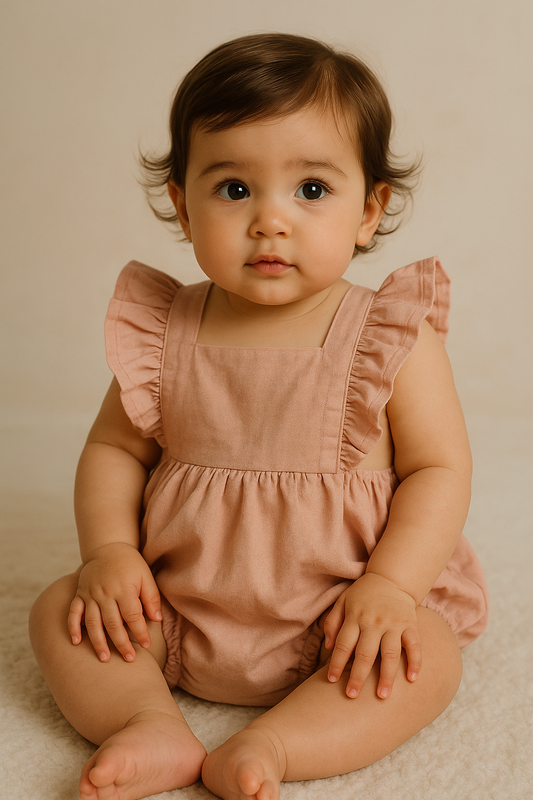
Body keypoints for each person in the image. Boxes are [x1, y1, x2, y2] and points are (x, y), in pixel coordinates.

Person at [29, 32, 488, 800]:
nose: (270, 220)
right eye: (234, 189)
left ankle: (276, 744)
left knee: (426, 657)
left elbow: (439, 469)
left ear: (368, 210)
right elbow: (113, 449)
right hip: (175, 604)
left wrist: (391, 588)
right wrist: (110, 553)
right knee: (61, 612)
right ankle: (146, 720)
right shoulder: (162, 330)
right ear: (181, 203)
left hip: (340, 617)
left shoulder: (388, 334)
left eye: (310, 190)